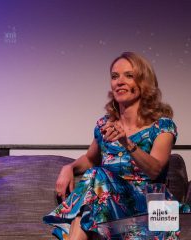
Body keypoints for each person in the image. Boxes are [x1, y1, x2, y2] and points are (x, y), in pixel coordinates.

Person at [43, 52, 179, 240]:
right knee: (89, 208)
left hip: (155, 210)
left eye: (128, 76)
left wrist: (127, 143)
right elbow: (91, 159)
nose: (119, 81)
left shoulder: (162, 126)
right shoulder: (105, 125)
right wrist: (69, 167)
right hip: (111, 210)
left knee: (94, 185)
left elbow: (155, 170)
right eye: (115, 76)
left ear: (144, 82)